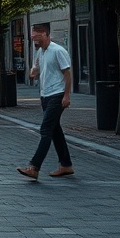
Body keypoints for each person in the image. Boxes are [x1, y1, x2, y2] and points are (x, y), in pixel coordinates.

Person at [17, 24, 74, 180]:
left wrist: (66, 96)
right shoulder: (40, 52)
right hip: (45, 95)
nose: (33, 39)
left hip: (57, 94)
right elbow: (35, 70)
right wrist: (33, 72)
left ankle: (34, 167)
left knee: (46, 130)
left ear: (44, 34)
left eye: (35, 36)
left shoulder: (58, 51)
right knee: (55, 130)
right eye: (32, 37)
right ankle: (66, 165)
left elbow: (67, 74)